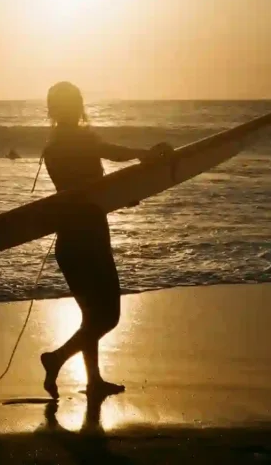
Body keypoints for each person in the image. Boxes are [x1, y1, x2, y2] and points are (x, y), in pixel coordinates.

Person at [39, 81, 172, 400]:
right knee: (108, 317)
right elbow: (111, 155)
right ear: (73, 106)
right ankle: (56, 359)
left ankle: (94, 381)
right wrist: (143, 155)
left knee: (91, 317)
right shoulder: (79, 140)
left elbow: (80, 193)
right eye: (74, 103)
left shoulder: (52, 148)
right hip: (90, 240)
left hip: (70, 242)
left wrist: (119, 197)